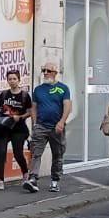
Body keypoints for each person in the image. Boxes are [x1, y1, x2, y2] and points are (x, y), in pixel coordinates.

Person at [24, 62, 71, 194]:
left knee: (58, 154)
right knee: (36, 153)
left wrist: (62, 122)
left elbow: (67, 106)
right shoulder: (38, 90)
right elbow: (34, 107)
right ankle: (33, 179)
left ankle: (55, 181)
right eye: (43, 70)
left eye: (48, 70)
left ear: (55, 73)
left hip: (57, 127)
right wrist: (34, 124)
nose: (45, 73)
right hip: (41, 126)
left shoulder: (63, 88)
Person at [0, 68, 33, 190]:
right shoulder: (4, 94)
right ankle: (0, 181)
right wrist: (0, 116)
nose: (12, 81)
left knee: (18, 153)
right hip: (4, 128)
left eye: (14, 79)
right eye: (10, 79)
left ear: (19, 80)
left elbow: (30, 112)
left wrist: (20, 117)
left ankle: (25, 173)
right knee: (0, 152)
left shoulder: (25, 96)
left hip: (19, 129)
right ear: (7, 81)